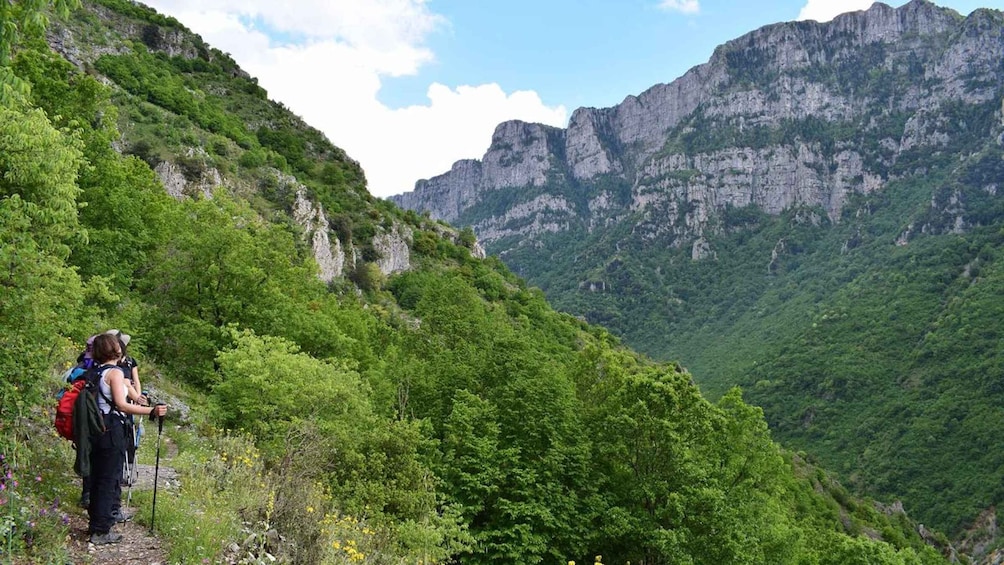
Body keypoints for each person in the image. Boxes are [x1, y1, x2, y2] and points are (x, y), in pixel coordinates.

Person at [87, 333, 168, 546]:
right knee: (108, 478)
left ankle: (98, 522)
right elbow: (121, 405)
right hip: (112, 429)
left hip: (97, 429)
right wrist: (151, 410)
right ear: (113, 349)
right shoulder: (113, 373)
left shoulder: (95, 371)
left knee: (99, 477)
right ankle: (101, 529)